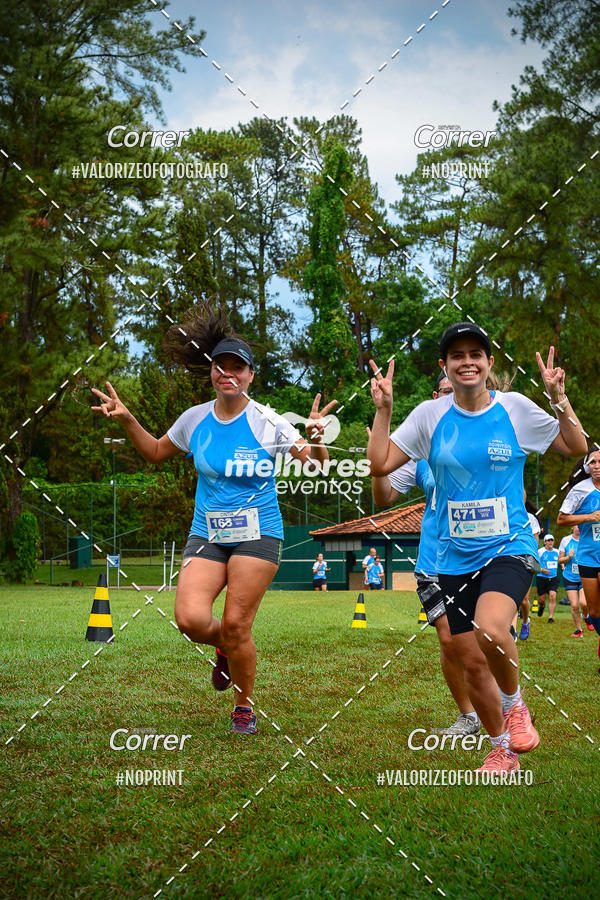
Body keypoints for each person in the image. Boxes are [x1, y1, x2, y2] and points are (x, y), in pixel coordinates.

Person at [92, 301, 335, 735]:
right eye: (221, 366)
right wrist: (128, 419)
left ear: (250, 376)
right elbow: (154, 452)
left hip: (258, 534)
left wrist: (316, 439)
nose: (229, 374)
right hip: (207, 532)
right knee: (189, 621)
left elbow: (316, 465)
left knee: (238, 622)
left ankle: (244, 704)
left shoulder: (269, 422)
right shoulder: (195, 419)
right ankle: (228, 649)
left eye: (237, 368)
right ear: (212, 372)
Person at [367, 321, 587, 773]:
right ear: (445, 366)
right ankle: (502, 749)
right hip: (450, 557)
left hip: (509, 545)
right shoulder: (430, 417)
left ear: (489, 363)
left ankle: (516, 705)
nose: (467, 362)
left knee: (491, 630)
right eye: (456, 355)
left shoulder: (515, 409)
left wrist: (558, 399)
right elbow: (380, 464)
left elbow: (576, 446)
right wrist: (384, 410)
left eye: (476, 354)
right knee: (468, 658)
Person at [370, 370, 480, 737]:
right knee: (449, 639)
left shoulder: (488, 436)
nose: (453, 400)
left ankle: (507, 706)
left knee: (489, 638)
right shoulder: (420, 452)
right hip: (435, 558)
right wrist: (376, 463)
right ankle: (468, 716)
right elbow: (383, 496)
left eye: (460, 392)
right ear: (435, 396)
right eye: (446, 392)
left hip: (484, 556)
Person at [557, 447, 600, 666]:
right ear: (587, 467)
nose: (597, 466)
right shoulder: (580, 490)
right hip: (588, 556)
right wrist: (589, 517)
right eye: (592, 462)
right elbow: (561, 520)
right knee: (593, 610)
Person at [558, 525, 590, 637]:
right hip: (569, 577)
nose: (578, 528)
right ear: (572, 527)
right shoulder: (565, 540)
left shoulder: (586, 538)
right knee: (574, 606)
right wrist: (568, 557)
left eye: (580, 525)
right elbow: (559, 560)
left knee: (584, 603)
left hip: (583, 576)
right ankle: (579, 630)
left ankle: (586, 617)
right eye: (576, 525)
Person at [517, 497, 541, 640]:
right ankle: (511, 629)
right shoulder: (504, 514)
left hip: (526, 559)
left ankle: (525, 621)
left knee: (523, 599)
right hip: (507, 559)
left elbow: (535, 542)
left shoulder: (530, 518)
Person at [536, 534, 560, 622]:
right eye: (548, 540)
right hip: (541, 578)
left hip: (553, 578)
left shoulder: (557, 552)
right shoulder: (540, 551)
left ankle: (550, 617)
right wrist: (542, 570)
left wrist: (563, 565)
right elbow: (534, 563)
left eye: (552, 540)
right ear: (545, 542)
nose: (550, 542)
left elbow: (560, 560)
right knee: (541, 600)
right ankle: (541, 606)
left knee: (553, 596)